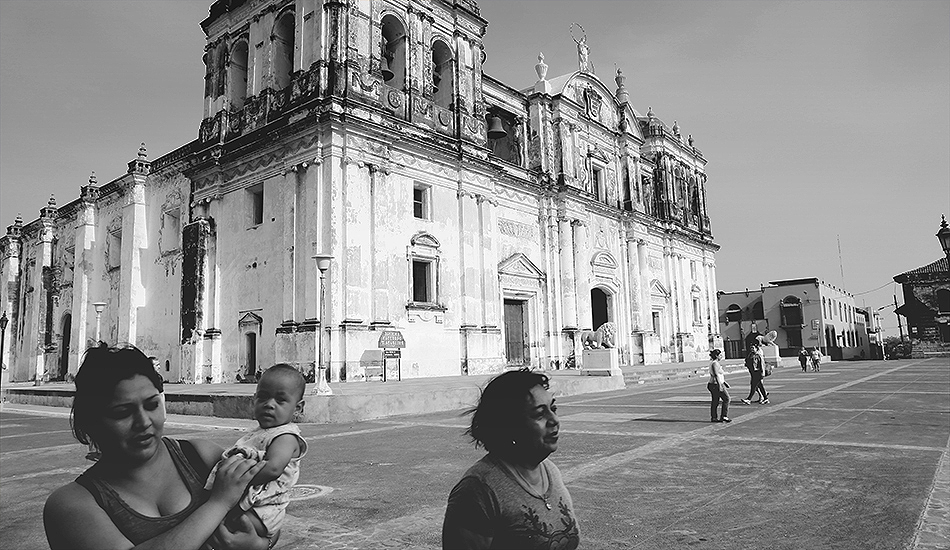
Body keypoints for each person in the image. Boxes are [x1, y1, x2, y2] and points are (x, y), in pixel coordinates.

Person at [44, 343, 270, 550]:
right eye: (122, 413)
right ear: (93, 421)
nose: (143, 422)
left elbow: (268, 514)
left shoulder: (200, 456)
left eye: (152, 405)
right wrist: (218, 504)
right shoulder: (72, 504)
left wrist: (260, 544)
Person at [442, 368, 580, 550]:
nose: (554, 420)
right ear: (510, 425)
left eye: (553, 408)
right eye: (539, 414)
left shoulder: (550, 471)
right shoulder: (479, 490)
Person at [205, 364, 308, 543]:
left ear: (298, 409)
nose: (269, 404)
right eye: (263, 397)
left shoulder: (286, 437)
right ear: (254, 400)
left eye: (280, 400)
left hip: (263, 510)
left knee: (218, 527)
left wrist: (234, 480)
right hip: (252, 503)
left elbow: (273, 468)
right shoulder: (260, 432)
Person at [707, 349, 731, 423]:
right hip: (715, 384)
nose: (721, 356)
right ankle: (724, 416)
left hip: (714, 384)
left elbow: (719, 375)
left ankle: (714, 417)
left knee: (715, 401)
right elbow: (716, 375)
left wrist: (724, 382)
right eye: (720, 355)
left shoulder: (714, 363)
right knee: (727, 398)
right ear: (717, 356)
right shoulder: (715, 364)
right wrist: (720, 385)